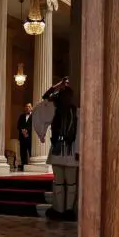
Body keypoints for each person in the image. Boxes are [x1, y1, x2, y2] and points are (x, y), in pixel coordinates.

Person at [32, 77, 79, 221]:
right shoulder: (77, 112)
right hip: (71, 152)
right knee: (70, 183)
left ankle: (60, 210)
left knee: (59, 182)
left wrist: (55, 88)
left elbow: (42, 103)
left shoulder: (54, 110)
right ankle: (68, 210)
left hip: (59, 151)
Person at [16, 103, 33, 169]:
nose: (27, 108)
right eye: (26, 106)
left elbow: (34, 125)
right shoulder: (21, 116)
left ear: (31, 108)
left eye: (29, 106)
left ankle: (32, 166)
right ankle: (24, 165)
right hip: (22, 137)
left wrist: (27, 131)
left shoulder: (34, 116)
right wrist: (22, 130)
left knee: (30, 151)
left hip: (30, 137)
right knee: (22, 152)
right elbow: (18, 125)